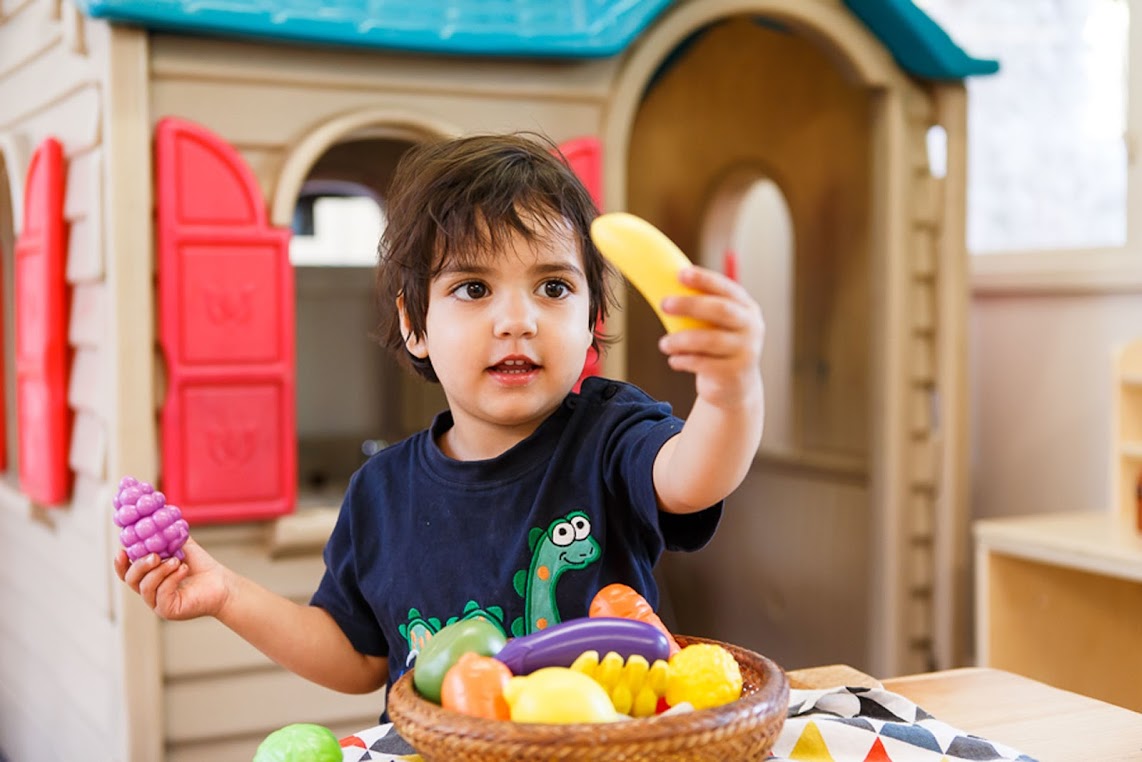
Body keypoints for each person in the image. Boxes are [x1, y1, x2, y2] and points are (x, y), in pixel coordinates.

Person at [116, 132, 765, 711]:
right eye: (474, 289)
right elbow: (356, 657)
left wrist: (731, 389)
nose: (518, 319)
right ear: (414, 323)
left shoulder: (610, 431)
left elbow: (693, 477)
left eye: (554, 287)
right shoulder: (380, 492)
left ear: (592, 318)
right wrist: (226, 594)